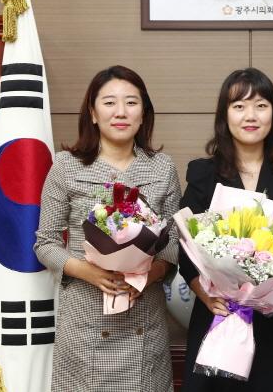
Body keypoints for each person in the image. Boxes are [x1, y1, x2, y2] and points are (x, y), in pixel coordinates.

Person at [34, 65, 181, 392]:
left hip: (144, 320)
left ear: (144, 113)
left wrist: (150, 275)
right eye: (109, 102)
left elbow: (173, 242)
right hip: (85, 321)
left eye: (131, 102)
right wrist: (88, 272)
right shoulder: (65, 166)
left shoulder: (162, 168)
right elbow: (45, 243)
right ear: (93, 113)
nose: (121, 112)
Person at [178, 67, 273, 392]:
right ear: (224, 115)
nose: (250, 115)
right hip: (220, 317)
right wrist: (204, 293)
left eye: (261, 105)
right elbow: (185, 246)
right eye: (239, 106)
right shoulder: (202, 174)